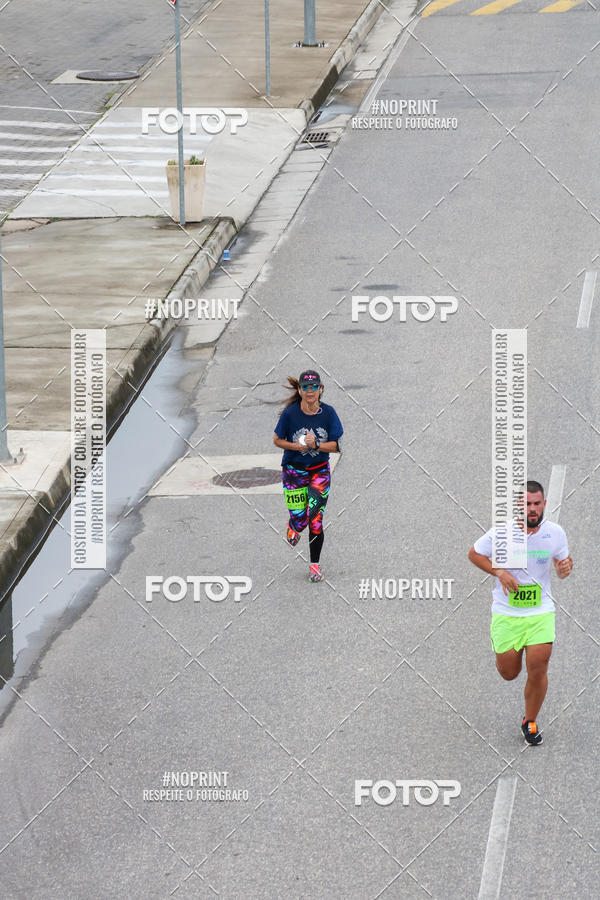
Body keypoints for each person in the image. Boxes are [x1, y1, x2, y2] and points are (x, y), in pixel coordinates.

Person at [467, 480, 573, 745]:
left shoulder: (555, 533)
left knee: (539, 665)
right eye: (527, 504)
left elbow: (562, 565)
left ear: (544, 504)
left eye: (537, 504)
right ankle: (506, 655)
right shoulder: (501, 533)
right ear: (518, 506)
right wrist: (500, 571)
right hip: (507, 613)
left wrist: (564, 570)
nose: (532, 509)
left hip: (540, 612)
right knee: (509, 672)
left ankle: (530, 720)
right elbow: (474, 554)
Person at [273, 370, 343, 582]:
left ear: (321, 389)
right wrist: (294, 445)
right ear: (300, 390)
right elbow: (277, 439)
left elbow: (337, 446)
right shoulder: (290, 414)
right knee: (300, 519)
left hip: (319, 472)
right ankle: (294, 526)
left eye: (314, 387)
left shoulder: (329, 413)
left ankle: (314, 567)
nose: (310, 391)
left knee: (316, 520)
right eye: (306, 387)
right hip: (294, 472)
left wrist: (317, 445)